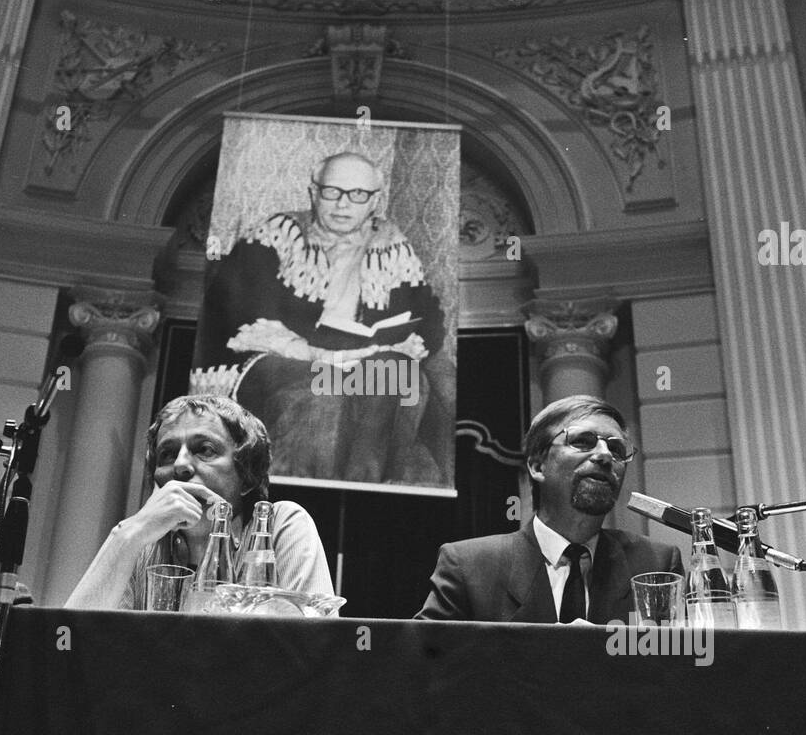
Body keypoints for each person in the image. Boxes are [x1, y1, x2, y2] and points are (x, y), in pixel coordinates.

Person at [191, 151, 451, 487]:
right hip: (274, 356)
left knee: (404, 377)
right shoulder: (279, 231)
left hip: (356, 359)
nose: (343, 204)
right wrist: (317, 351)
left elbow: (429, 318)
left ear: (375, 201)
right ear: (314, 192)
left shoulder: (392, 244)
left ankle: (363, 485)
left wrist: (393, 345)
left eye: (358, 195)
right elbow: (238, 306)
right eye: (333, 192)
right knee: (326, 391)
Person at [416, 395, 683, 624]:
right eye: (583, 441)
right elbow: (423, 669)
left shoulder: (655, 565)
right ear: (537, 466)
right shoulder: (469, 566)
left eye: (616, 448)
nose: (605, 455)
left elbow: (680, 668)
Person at [65, 394, 335, 610]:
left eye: (205, 450)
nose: (180, 465)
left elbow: (316, 649)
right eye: (167, 454)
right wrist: (128, 534)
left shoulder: (280, 526)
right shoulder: (142, 546)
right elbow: (71, 646)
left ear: (248, 476)